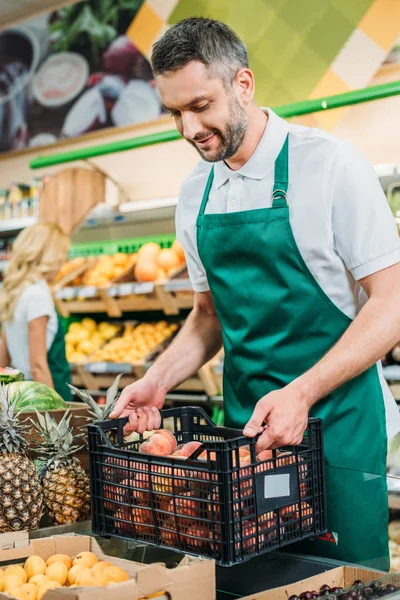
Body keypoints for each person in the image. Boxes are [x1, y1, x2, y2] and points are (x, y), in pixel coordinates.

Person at [111, 18, 400, 569]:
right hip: (243, 437)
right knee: (257, 580)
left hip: (336, 429)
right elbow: (208, 316)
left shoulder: (331, 166)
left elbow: (393, 302)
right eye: (174, 112)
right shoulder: (195, 190)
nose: (189, 128)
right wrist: (156, 380)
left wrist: (303, 392)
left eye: (200, 105)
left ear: (243, 84)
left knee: (341, 581)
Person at [0, 222, 71, 400]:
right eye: (63, 253)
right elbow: (37, 366)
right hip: (44, 394)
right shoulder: (38, 295)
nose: (64, 261)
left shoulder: (16, 292)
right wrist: (54, 413)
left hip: (22, 395)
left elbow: (3, 355)